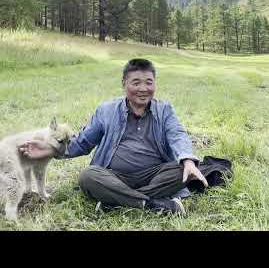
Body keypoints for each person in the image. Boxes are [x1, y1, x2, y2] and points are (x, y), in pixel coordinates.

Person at [19, 58, 231, 215]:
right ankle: (153, 204)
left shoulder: (165, 110)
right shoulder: (106, 110)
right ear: (124, 85)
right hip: (115, 175)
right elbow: (83, 143)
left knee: (183, 171)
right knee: (88, 176)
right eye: (136, 82)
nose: (143, 89)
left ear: (155, 84)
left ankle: (115, 200)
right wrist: (52, 150)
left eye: (149, 82)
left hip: (155, 174)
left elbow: (177, 134)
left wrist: (187, 160)